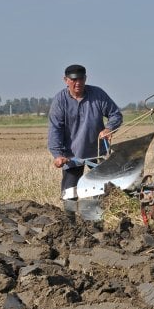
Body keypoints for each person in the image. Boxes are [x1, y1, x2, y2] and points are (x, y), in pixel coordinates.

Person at [47, 64, 122, 215]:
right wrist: (57, 155)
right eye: (73, 80)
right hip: (72, 155)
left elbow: (116, 114)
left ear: (85, 79)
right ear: (66, 80)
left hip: (97, 152)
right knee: (70, 193)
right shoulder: (60, 101)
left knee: (101, 190)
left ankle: (99, 221)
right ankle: (70, 225)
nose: (78, 83)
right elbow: (55, 129)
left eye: (81, 79)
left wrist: (109, 128)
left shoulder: (97, 94)